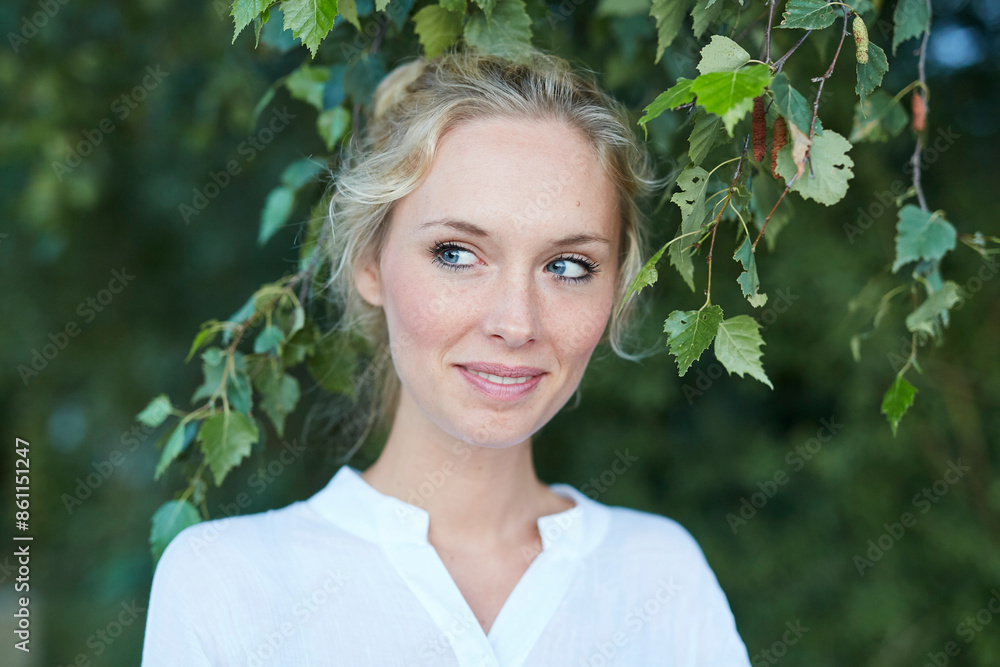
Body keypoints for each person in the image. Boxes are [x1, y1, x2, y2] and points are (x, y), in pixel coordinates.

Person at [141, 46, 752, 666]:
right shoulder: (226, 583)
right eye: (456, 254)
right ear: (370, 262)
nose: (516, 324)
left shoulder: (661, 577)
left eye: (568, 266)